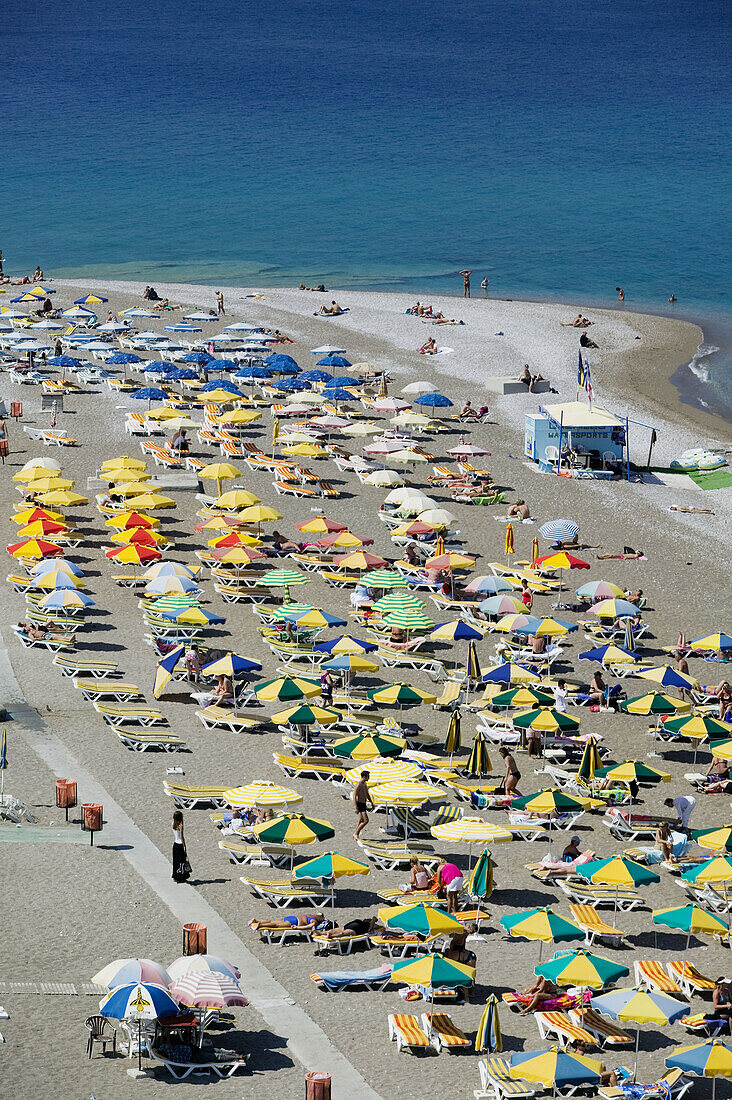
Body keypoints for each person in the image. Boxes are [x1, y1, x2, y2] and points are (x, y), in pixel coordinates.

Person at [353, 770, 373, 839]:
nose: (369, 777)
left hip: (363, 803)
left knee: (361, 820)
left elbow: (367, 794)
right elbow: (354, 796)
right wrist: (356, 807)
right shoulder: (358, 784)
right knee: (366, 820)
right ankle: (356, 833)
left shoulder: (364, 783)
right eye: (368, 776)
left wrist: (371, 802)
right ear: (364, 776)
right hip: (360, 804)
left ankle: (356, 833)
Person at [172, 810, 190, 882]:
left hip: (175, 844)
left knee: (176, 862)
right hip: (180, 845)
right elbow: (182, 837)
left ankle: (175, 877)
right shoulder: (180, 826)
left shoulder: (173, 824)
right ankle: (181, 877)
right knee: (182, 862)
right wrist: (185, 846)